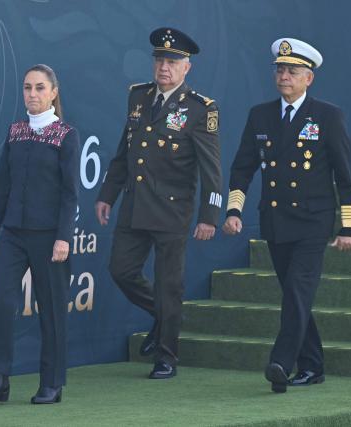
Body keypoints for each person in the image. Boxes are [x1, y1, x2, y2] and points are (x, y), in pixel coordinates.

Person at [222, 38, 351, 393]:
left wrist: (349, 226)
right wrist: (234, 209)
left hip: (314, 222)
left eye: (292, 71)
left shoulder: (328, 116)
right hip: (276, 221)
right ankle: (312, 366)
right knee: (296, 295)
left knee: (297, 293)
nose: (284, 76)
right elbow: (242, 168)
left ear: (308, 78)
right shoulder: (260, 115)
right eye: (280, 69)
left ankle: (281, 362)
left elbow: (344, 176)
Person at [95, 27, 222, 379]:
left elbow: (212, 169)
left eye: (172, 62)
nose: (164, 67)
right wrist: (107, 194)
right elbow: (125, 152)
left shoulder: (200, 110)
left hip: (172, 209)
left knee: (169, 284)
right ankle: (164, 318)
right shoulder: (138, 97)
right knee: (120, 271)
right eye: (160, 60)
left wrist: (209, 215)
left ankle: (167, 356)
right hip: (135, 204)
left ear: (186, 68)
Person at [0, 64, 80, 404]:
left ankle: (52, 383)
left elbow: (69, 192)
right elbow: (1, 186)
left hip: (50, 237)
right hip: (13, 234)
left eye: (38, 88)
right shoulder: (15, 131)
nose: (31, 94)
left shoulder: (65, 135)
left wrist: (64, 236)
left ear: (53, 92)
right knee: (3, 301)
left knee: (51, 310)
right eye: (26, 88)